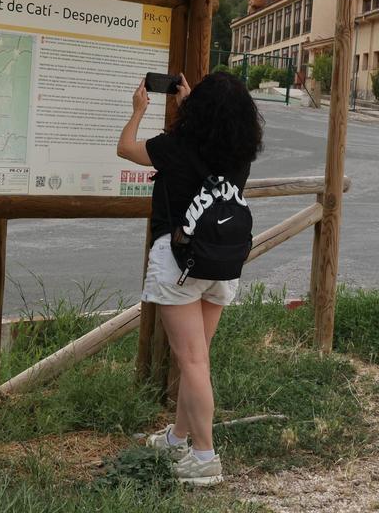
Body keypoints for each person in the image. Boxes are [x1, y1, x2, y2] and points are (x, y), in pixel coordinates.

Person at [116, 71, 263, 487]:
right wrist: (192, 105)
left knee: (193, 361)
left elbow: (125, 148)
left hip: (180, 262)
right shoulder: (240, 154)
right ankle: (178, 438)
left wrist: (138, 110)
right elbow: (212, 146)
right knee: (197, 359)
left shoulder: (174, 146)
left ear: (198, 108)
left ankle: (204, 456)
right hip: (222, 261)